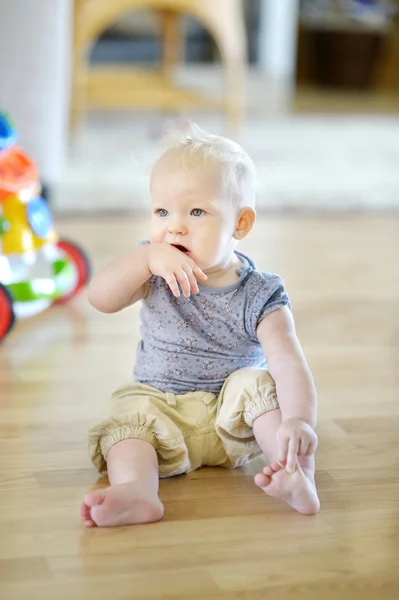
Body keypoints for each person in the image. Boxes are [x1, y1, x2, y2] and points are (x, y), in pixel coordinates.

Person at [80, 123, 320, 527]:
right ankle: (138, 491)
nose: (174, 226)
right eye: (161, 211)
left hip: (233, 420)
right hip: (160, 412)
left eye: (196, 212)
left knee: (258, 383)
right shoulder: (153, 265)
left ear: (240, 225)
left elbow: (288, 361)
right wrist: (144, 261)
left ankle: (296, 474)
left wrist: (298, 421)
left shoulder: (260, 292)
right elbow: (100, 298)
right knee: (127, 413)